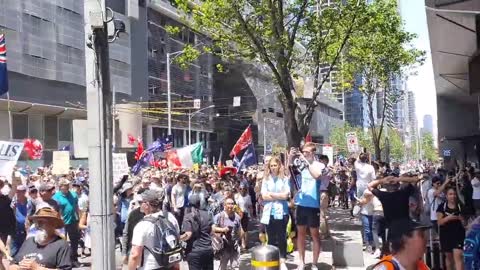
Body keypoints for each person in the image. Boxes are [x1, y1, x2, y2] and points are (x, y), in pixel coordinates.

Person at [289, 142, 325, 270]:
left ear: (313, 153)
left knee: (315, 234)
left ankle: (314, 263)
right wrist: (290, 157)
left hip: (313, 205)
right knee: (301, 234)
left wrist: (305, 160)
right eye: (303, 152)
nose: (304, 154)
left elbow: (317, 175)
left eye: (307, 152)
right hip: (301, 204)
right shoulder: (300, 165)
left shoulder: (318, 165)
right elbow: (290, 172)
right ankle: (301, 262)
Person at [128, 189, 179, 270]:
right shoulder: (170, 217)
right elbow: (175, 243)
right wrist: (176, 266)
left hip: (149, 267)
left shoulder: (142, 225)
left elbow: (135, 254)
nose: (139, 205)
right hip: (169, 265)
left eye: (141, 202)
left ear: (147, 204)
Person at [260, 156, 290, 270]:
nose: (273, 168)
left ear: (279, 166)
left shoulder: (284, 179)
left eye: (275, 165)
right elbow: (264, 196)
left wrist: (272, 194)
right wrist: (278, 196)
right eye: (271, 165)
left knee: (282, 237)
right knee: (271, 238)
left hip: (282, 212)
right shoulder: (266, 179)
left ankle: (282, 260)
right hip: (269, 213)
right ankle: (272, 261)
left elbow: (286, 195)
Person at [180, 194, 214, 270]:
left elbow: (188, 235)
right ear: (199, 203)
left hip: (194, 251)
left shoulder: (188, 217)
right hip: (208, 250)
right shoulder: (207, 215)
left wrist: (178, 238)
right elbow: (212, 232)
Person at [53, 178, 80, 268]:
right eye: (65, 185)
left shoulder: (73, 195)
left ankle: (74, 259)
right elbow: (54, 211)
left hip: (72, 221)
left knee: (74, 241)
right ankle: (62, 261)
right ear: (61, 187)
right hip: (61, 223)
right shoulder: (56, 197)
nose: (67, 187)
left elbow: (76, 206)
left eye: (68, 185)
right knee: (61, 242)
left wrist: (78, 218)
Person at [437, 187, 466, 270]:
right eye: (450, 194)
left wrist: (461, 219)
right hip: (446, 235)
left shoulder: (460, 206)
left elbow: (464, 223)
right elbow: (439, 222)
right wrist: (449, 218)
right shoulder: (442, 207)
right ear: (446, 196)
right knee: (449, 258)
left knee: (458, 256)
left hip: (458, 234)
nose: (453, 196)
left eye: (454, 194)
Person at [212, 198, 242, 270]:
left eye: (232, 204)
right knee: (223, 267)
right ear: (224, 205)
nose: (230, 205)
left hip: (234, 246)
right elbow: (212, 228)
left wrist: (239, 242)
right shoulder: (219, 216)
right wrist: (223, 229)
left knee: (235, 267)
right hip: (223, 247)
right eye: (228, 204)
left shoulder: (237, 217)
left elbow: (239, 231)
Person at [234, 183, 253, 251]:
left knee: (245, 229)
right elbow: (236, 205)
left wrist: (251, 215)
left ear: (245, 189)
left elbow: (250, 206)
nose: (242, 190)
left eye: (243, 189)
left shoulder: (248, 197)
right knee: (240, 228)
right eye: (240, 189)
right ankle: (242, 242)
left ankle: (246, 242)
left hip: (245, 213)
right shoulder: (237, 196)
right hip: (239, 213)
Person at [318, 155, 332, 238]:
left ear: (326, 161)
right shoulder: (327, 170)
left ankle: (322, 233)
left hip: (322, 192)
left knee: (321, 214)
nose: (320, 162)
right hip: (323, 192)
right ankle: (326, 232)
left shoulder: (325, 170)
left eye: (321, 161)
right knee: (323, 213)